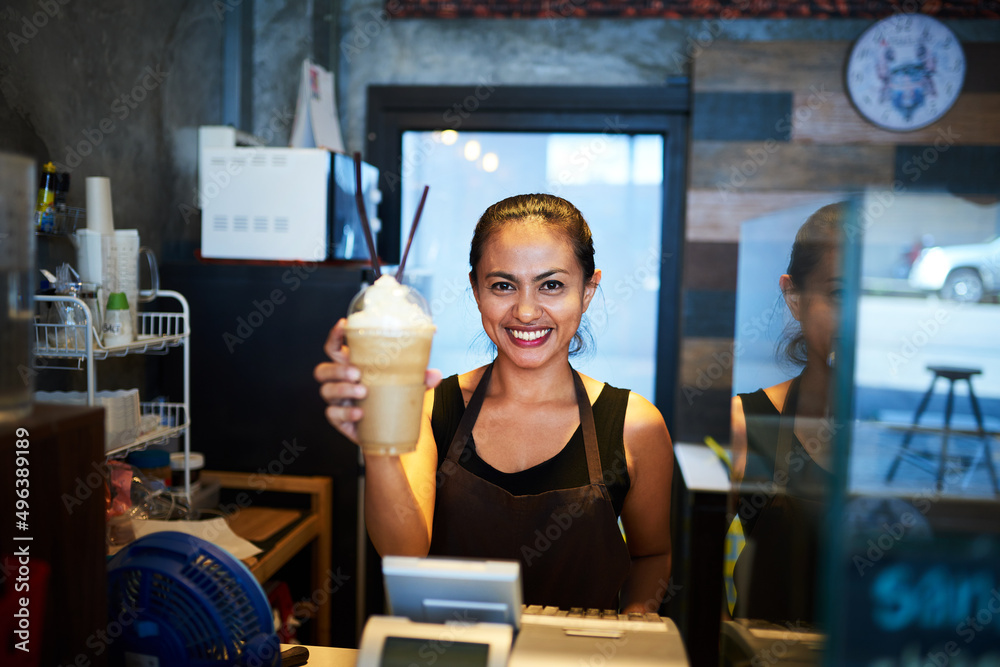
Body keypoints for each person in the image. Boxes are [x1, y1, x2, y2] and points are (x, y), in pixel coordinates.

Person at [315, 193, 674, 612]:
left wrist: (629, 636)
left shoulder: (635, 425)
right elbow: (403, 552)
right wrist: (376, 440)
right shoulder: (432, 408)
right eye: (503, 285)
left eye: (552, 285)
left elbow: (652, 555)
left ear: (588, 290)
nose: (524, 311)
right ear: (476, 290)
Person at [728, 202, 844, 624]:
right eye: (841, 294)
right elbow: (684, 569)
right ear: (794, 297)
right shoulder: (745, 422)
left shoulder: (924, 436)